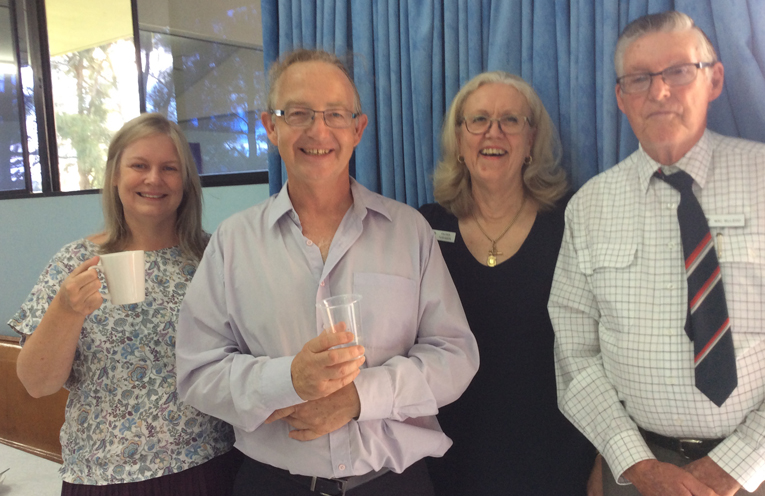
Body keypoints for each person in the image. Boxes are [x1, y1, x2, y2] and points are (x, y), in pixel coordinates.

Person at [174, 48, 479, 496]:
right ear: (271, 126)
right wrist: (288, 381)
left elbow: (455, 356)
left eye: (335, 114)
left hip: (393, 483)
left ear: (358, 129)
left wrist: (359, 397)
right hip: (273, 484)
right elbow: (197, 372)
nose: (318, 131)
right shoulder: (232, 242)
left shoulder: (409, 231)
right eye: (298, 113)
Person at [550, 10, 765, 496]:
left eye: (679, 71)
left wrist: (735, 466)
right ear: (621, 97)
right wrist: (637, 463)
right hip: (635, 471)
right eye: (639, 78)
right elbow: (575, 354)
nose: (660, 91)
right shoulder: (590, 206)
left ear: (714, 79)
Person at [10, 113, 239, 495]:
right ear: (115, 175)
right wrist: (66, 310)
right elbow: (36, 384)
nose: (154, 179)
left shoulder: (214, 256)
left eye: (169, 168)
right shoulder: (75, 262)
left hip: (209, 463)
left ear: (186, 181)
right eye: (139, 166)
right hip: (105, 476)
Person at [419, 71, 597, 495]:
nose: (493, 132)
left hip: (556, 459)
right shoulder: (423, 228)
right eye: (478, 119)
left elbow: (605, 351)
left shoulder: (573, 223)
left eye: (510, 120)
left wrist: (602, 461)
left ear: (531, 140)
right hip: (450, 460)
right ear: (459, 140)